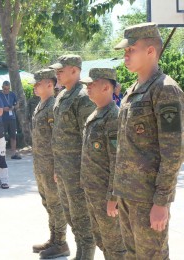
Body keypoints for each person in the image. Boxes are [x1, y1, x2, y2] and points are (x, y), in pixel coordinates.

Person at [113, 22, 184, 259]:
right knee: (132, 254)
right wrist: (116, 192)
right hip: (126, 193)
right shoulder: (132, 90)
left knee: (152, 255)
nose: (126, 55)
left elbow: (173, 151)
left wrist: (161, 201)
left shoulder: (165, 90)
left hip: (147, 197)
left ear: (151, 51)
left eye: (131, 49)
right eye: (125, 51)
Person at [49, 54, 96, 259]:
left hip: (78, 170)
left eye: (61, 70)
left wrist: (86, 173)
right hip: (64, 169)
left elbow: (89, 137)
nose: (57, 73)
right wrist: (57, 168)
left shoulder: (83, 97)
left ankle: (85, 255)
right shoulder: (62, 96)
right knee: (71, 216)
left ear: (75, 71)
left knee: (82, 217)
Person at [79, 68, 126, 259]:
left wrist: (113, 197)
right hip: (93, 192)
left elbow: (118, 161)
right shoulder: (95, 115)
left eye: (92, 84)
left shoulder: (113, 117)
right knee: (102, 240)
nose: (87, 88)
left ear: (106, 87)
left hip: (106, 194)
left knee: (116, 245)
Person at [30, 69, 69, 259]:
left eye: (38, 83)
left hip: (51, 165)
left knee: (56, 203)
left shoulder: (53, 106)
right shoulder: (40, 106)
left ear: (49, 85)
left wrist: (57, 167)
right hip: (41, 165)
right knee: (48, 202)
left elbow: (58, 138)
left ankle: (61, 242)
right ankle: (54, 238)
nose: (35, 86)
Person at [0, 80, 21, 159]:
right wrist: (3, 109)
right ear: (2, 87)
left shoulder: (12, 94)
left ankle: (13, 152)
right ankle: (0, 152)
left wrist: (13, 107)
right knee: (1, 136)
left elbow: (17, 104)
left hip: (12, 118)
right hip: (2, 118)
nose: (6, 90)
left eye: (8, 89)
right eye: (5, 89)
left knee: (13, 136)